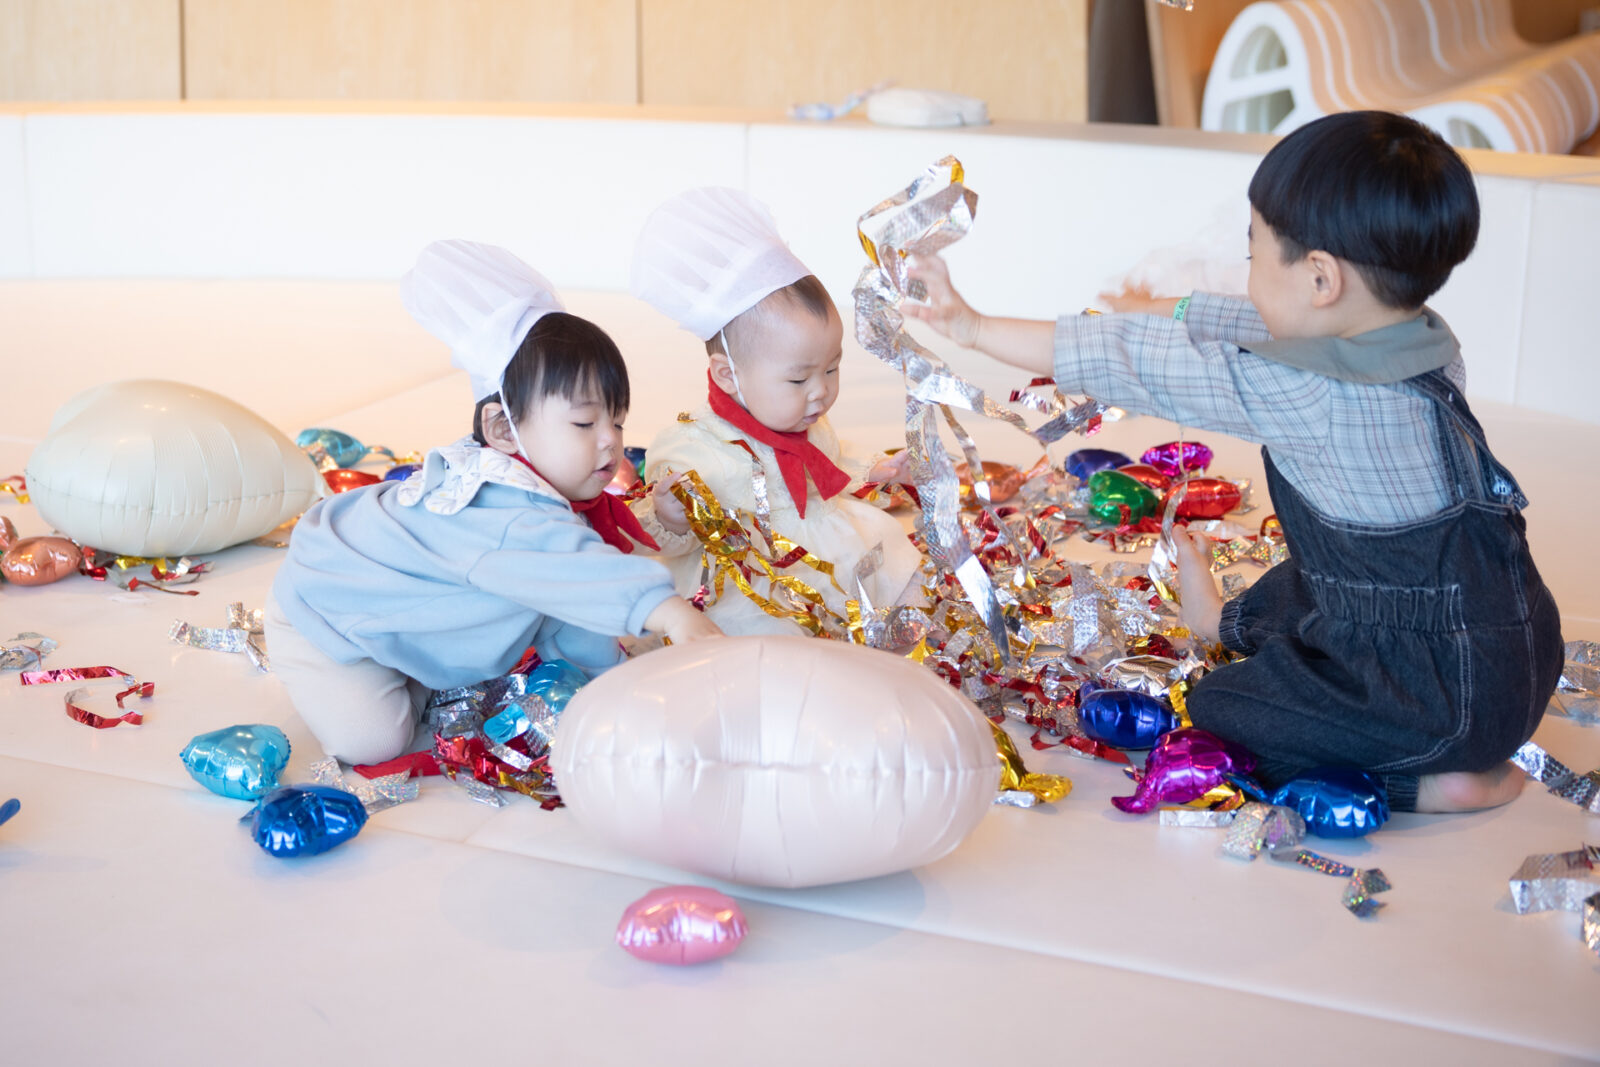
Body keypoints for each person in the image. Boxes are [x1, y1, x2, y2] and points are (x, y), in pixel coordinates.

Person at [902, 111, 1564, 814]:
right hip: (1517, 647)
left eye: (1255, 256)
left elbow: (1144, 366)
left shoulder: (1311, 396)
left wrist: (973, 326)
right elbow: (1259, 327)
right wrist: (1162, 308)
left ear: (1321, 278)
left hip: (1435, 701)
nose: (1249, 275)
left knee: (1224, 712)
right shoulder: (1424, 339)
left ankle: (1431, 782)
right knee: (1317, 582)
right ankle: (1228, 623)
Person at [266, 240, 721, 765]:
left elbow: (573, 607)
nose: (610, 442)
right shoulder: (503, 513)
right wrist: (671, 614)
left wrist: (614, 693)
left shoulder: (549, 507)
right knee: (373, 742)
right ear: (503, 429)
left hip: (399, 608)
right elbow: (577, 570)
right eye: (583, 423)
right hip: (327, 611)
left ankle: (418, 656)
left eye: (617, 422)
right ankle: (393, 666)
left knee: (486, 657)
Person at [628, 187, 923, 636]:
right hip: (759, 577)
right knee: (770, 634)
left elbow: (829, 461)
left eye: (832, 368)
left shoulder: (806, 421)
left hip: (830, 543)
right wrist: (671, 516)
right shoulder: (694, 449)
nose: (820, 392)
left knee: (897, 567)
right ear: (728, 375)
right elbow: (668, 541)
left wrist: (876, 469)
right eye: (799, 380)